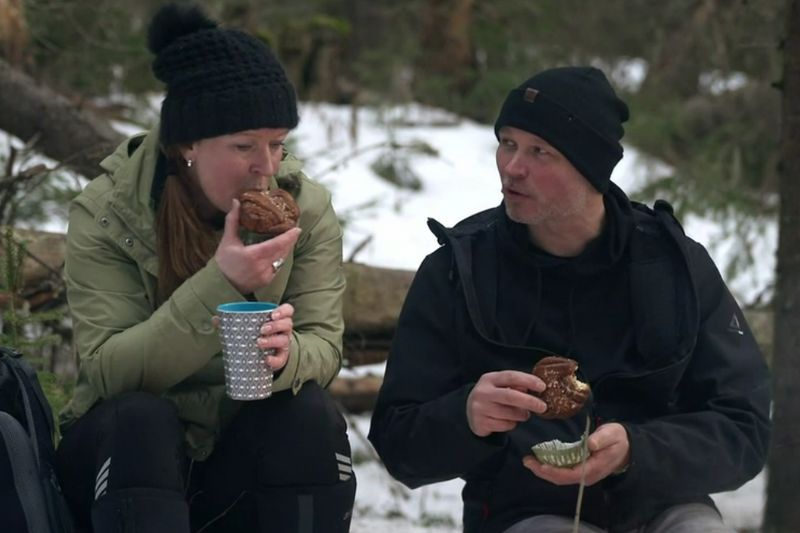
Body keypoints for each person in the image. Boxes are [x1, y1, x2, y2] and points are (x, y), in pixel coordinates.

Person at [368, 66, 771, 533]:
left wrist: (637, 450)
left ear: (590, 168)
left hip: (664, 502)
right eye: (507, 143)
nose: (513, 167)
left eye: (540, 151)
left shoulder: (673, 264)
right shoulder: (461, 270)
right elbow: (398, 442)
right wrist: (466, 417)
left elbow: (743, 427)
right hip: (525, 511)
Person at [55, 4, 355, 532]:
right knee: (141, 419)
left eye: (277, 143)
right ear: (188, 145)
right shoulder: (108, 213)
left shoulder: (304, 209)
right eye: (244, 146)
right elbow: (107, 371)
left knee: (308, 414)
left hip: (237, 453)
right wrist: (222, 283)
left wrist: (289, 357)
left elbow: (325, 346)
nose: (267, 167)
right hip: (126, 460)